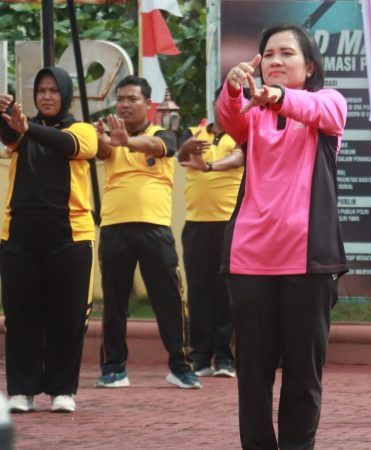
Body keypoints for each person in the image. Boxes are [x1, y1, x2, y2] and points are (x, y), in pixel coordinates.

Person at [218, 23, 347, 450]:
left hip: (307, 260)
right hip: (250, 258)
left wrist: (278, 97)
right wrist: (235, 89)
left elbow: (323, 113)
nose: (275, 60)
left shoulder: (327, 103)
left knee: (303, 374)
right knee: (252, 374)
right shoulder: (253, 115)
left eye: (287, 53)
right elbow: (229, 121)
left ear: (309, 67)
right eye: (268, 53)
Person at [0, 67, 97, 413]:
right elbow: (10, 137)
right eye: (41, 90)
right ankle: (22, 391)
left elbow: (67, 145)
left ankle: (62, 390)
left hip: (69, 238)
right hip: (18, 237)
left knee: (66, 317)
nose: (46, 96)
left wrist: (27, 128)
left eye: (54, 90)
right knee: (20, 316)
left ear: (66, 95)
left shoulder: (82, 131)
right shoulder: (21, 132)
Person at [94, 75, 200, 390]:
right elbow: (100, 151)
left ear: (148, 104)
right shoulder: (111, 135)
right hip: (114, 227)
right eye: (121, 99)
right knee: (114, 302)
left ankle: (181, 367)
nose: (125, 104)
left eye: (132, 99)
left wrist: (126, 141)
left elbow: (160, 146)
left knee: (169, 299)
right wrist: (104, 138)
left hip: (155, 227)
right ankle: (113, 368)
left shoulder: (163, 132)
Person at [177, 86, 245, 378]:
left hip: (231, 223)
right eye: (222, 101)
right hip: (196, 223)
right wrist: (187, 149)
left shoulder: (243, 133)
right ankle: (200, 356)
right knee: (199, 290)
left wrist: (208, 166)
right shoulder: (194, 132)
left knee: (226, 291)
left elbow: (240, 157)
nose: (225, 106)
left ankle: (225, 357)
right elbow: (180, 155)